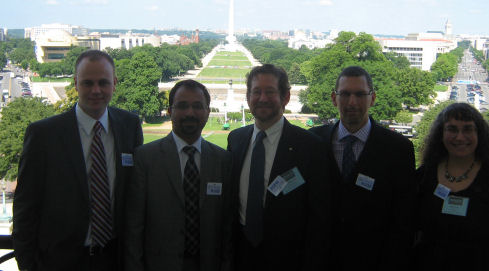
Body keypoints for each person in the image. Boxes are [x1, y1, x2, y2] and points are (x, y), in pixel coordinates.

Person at [13, 50, 143, 271]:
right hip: (60, 262)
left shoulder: (129, 126)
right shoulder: (44, 135)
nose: (96, 90)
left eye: (103, 82)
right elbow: (26, 207)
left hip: (116, 259)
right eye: (87, 83)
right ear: (75, 84)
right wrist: (28, 266)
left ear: (114, 83)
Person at [310, 65, 416, 270]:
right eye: (345, 94)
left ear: (373, 98)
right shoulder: (314, 141)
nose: (352, 102)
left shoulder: (398, 149)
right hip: (321, 260)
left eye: (360, 94)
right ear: (334, 98)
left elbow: (404, 219)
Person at [227, 64, 331, 271]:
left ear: (286, 97)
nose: (262, 98)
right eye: (256, 92)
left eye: (270, 92)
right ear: (248, 98)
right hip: (240, 256)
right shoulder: (236, 139)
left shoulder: (310, 147)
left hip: (288, 259)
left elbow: (319, 218)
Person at [125, 80, 233, 271]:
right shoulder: (145, 158)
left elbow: (227, 226)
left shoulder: (223, 160)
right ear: (170, 111)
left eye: (197, 106)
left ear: (208, 111)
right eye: (182, 106)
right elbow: (134, 227)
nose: (190, 113)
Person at [413, 102, 489, 271]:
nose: (459, 137)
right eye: (452, 129)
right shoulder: (425, 176)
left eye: (467, 129)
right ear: (441, 134)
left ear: (480, 134)